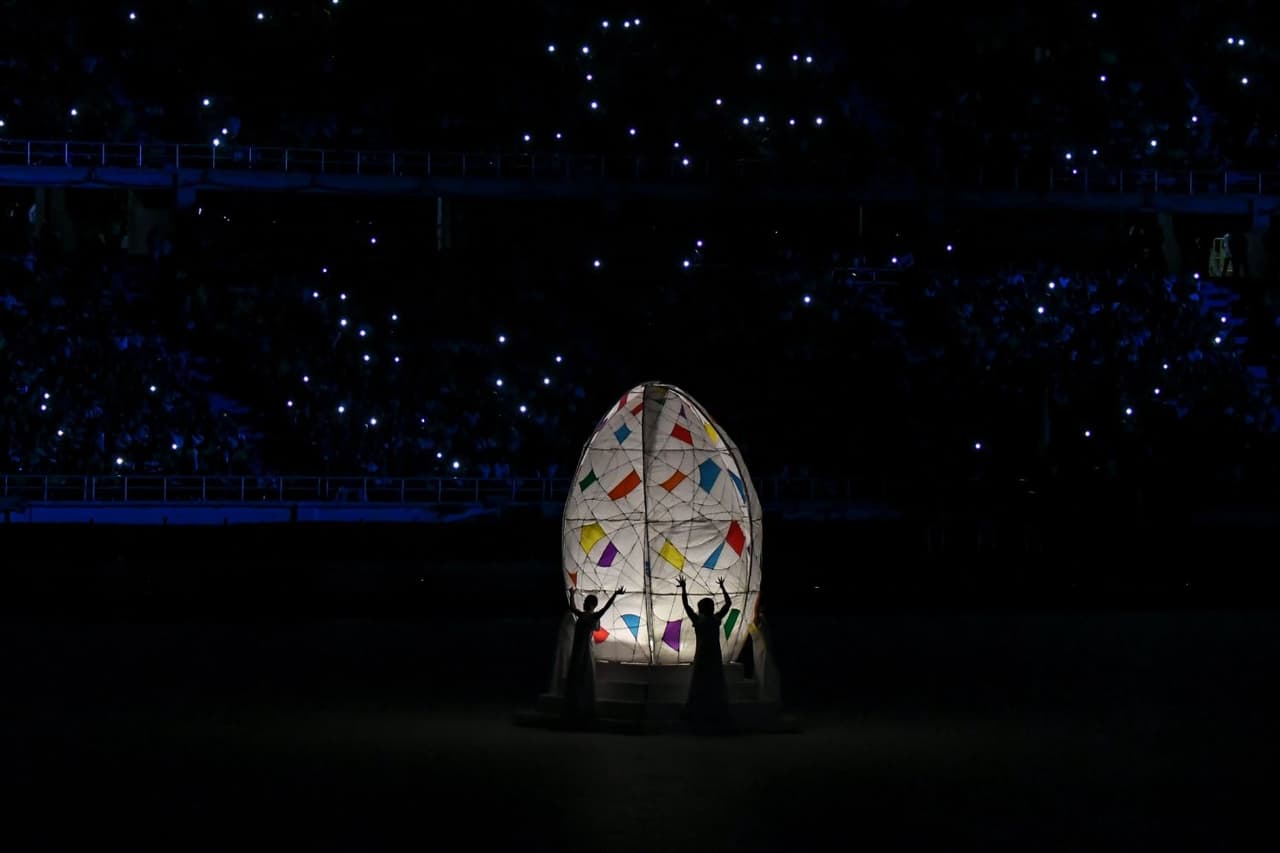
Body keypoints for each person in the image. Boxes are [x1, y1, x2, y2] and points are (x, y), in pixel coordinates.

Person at [677, 574, 733, 732]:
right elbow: (728, 604)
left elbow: (686, 605)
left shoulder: (700, 620)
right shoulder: (714, 619)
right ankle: (712, 714)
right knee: (712, 684)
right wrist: (722, 587)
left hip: (705, 656)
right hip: (711, 655)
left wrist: (684, 588)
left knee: (701, 684)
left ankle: (699, 714)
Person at [562, 585, 624, 726]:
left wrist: (615, 594)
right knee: (577, 677)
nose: (583, 604)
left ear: (590, 604)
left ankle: (582, 710)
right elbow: (572, 607)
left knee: (583, 676)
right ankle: (574, 709)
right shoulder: (583, 615)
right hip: (578, 650)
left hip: (584, 651)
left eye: (585, 602)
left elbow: (606, 607)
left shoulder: (592, 616)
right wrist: (571, 594)